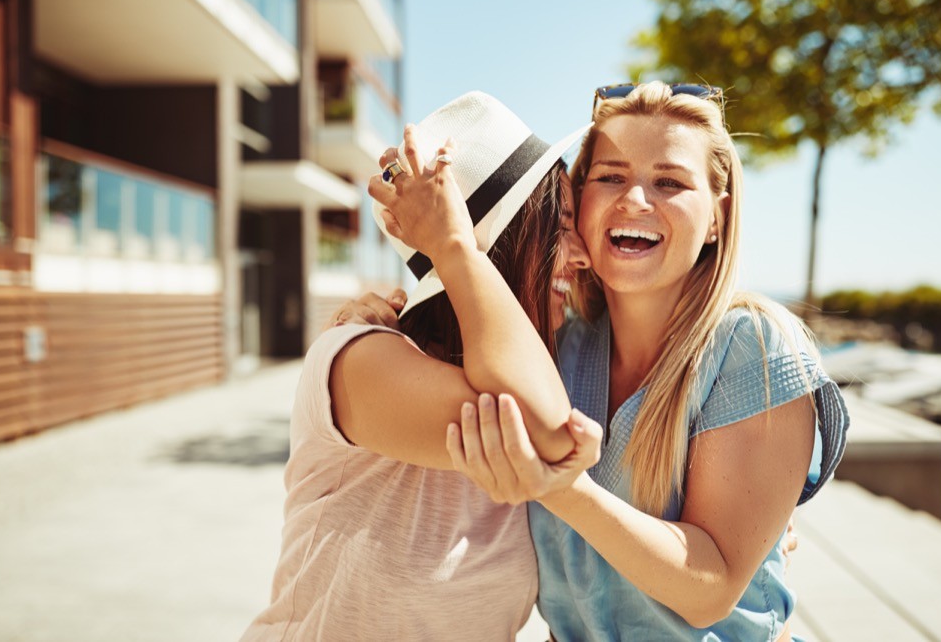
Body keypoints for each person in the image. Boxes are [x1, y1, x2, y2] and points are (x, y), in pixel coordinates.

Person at [387, 81, 849, 640]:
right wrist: (384, 312)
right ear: (578, 200)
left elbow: (711, 590)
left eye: (670, 182)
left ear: (716, 220)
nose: (635, 200)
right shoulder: (556, 346)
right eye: (610, 176)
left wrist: (559, 487)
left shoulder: (754, 344)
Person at [239, 92, 601, 641]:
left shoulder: (541, 368)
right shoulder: (358, 358)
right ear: (504, 243)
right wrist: (454, 248)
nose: (583, 255)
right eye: (562, 226)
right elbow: (544, 432)